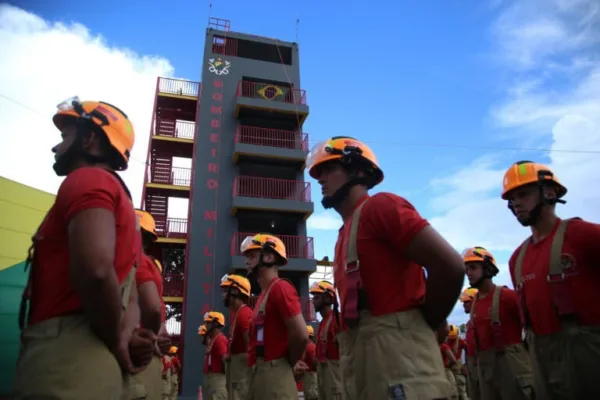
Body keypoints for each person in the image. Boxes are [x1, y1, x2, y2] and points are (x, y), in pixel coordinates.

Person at [12, 96, 155, 399]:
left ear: (90, 138)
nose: (56, 147)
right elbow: (131, 299)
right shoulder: (125, 209)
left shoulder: (87, 179)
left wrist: (116, 339)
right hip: (97, 367)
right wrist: (124, 337)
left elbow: (96, 270)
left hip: (66, 361)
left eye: (65, 136)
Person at [306, 137, 464, 399]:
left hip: (403, 367)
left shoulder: (382, 206)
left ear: (357, 170)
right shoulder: (344, 234)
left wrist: (424, 323)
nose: (320, 179)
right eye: (318, 172)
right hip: (363, 367)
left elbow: (450, 266)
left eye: (329, 169)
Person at [503, 161, 600, 399]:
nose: (516, 203)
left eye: (523, 194)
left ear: (549, 192)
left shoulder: (584, 235)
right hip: (540, 360)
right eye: (511, 198)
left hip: (587, 356)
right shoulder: (516, 259)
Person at [241, 233, 309, 400]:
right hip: (260, 375)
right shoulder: (263, 295)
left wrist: (288, 363)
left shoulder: (280, 288)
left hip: (274, 376)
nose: (246, 261)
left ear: (269, 257)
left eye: (252, 256)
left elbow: (301, 335)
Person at [463, 246, 533, 399]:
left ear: (488, 268)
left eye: (473, 268)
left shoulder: (507, 297)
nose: (468, 273)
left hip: (511, 369)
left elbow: (532, 324)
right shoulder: (475, 303)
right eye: (466, 269)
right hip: (485, 372)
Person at [131, 209, 170, 400]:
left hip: (137, 352)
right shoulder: (145, 264)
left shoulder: (136, 261)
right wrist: (158, 334)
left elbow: (154, 308)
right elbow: (157, 309)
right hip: (146, 354)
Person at [220, 274, 253, 400]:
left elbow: (251, 346)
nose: (222, 295)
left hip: (241, 376)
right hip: (237, 374)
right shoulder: (238, 314)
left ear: (234, 292)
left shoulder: (244, 314)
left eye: (225, 291)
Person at [309, 280, 342, 399]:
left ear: (328, 299)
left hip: (335, 382)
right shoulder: (322, 323)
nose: (313, 301)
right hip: (324, 380)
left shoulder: (337, 321)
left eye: (316, 297)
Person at [460, 287, 480, 400]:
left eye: (467, 302)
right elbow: (468, 348)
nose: (464, 305)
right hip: (473, 368)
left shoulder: (483, 319)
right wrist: (466, 365)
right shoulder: (469, 324)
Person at [203, 311, 228, 400]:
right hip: (212, 381)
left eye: (208, 322)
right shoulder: (214, 340)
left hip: (218, 382)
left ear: (215, 324)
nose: (205, 325)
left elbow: (225, 360)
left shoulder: (220, 340)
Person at [446, 324, 469, 400]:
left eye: (453, 337)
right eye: (450, 337)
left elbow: (468, 350)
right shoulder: (444, 341)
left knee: (461, 390)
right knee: (451, 392)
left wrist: (466, 364)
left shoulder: (461, 341)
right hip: (448, 367)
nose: (452, 339)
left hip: (458, 367)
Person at [439, 324, 459, 400]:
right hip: (446, 371)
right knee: (453, 394)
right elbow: (454, 360)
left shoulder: (433, 345)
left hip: (437, 372)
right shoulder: (444, 346)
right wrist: (448, 366)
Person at [301, 325, 319, 400]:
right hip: (309, 377)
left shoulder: (310, 347)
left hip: (311, 377)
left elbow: (314, 363)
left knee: (312, 396)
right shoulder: (310, 346)